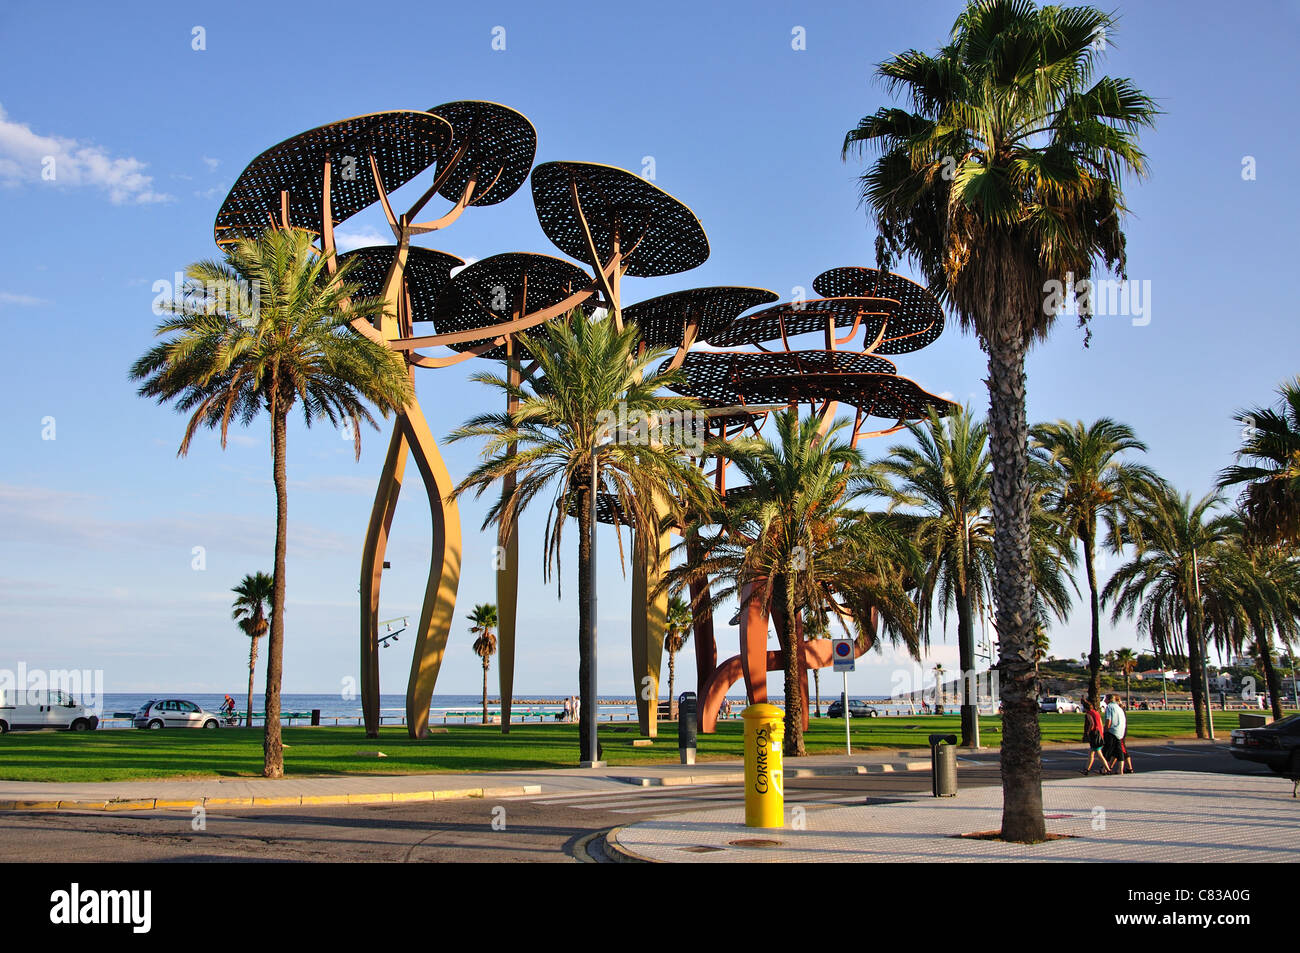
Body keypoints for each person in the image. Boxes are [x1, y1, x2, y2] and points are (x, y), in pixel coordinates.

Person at [1081, 699, 1110, 775]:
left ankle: (1108, 769)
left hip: (1094, 735)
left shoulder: (1089, 713)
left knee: (1098, 755)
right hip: (1099, 734)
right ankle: (1086, 769)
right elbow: (1100, 722)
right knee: (1092, 753)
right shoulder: (1096, 712)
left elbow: (1092, 723)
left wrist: (1088, 731)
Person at [1103, 693, 1127, 774]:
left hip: (1112, 731)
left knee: (1107, 750)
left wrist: (1105, 730)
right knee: (1118, 750)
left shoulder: (1109, 707)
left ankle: (1105, 768)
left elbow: (1108, 720)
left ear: (1109, 700)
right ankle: (1120, 769)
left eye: (1105, 699)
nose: (1104, 700)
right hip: (1120, 731)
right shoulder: (1118, 707)